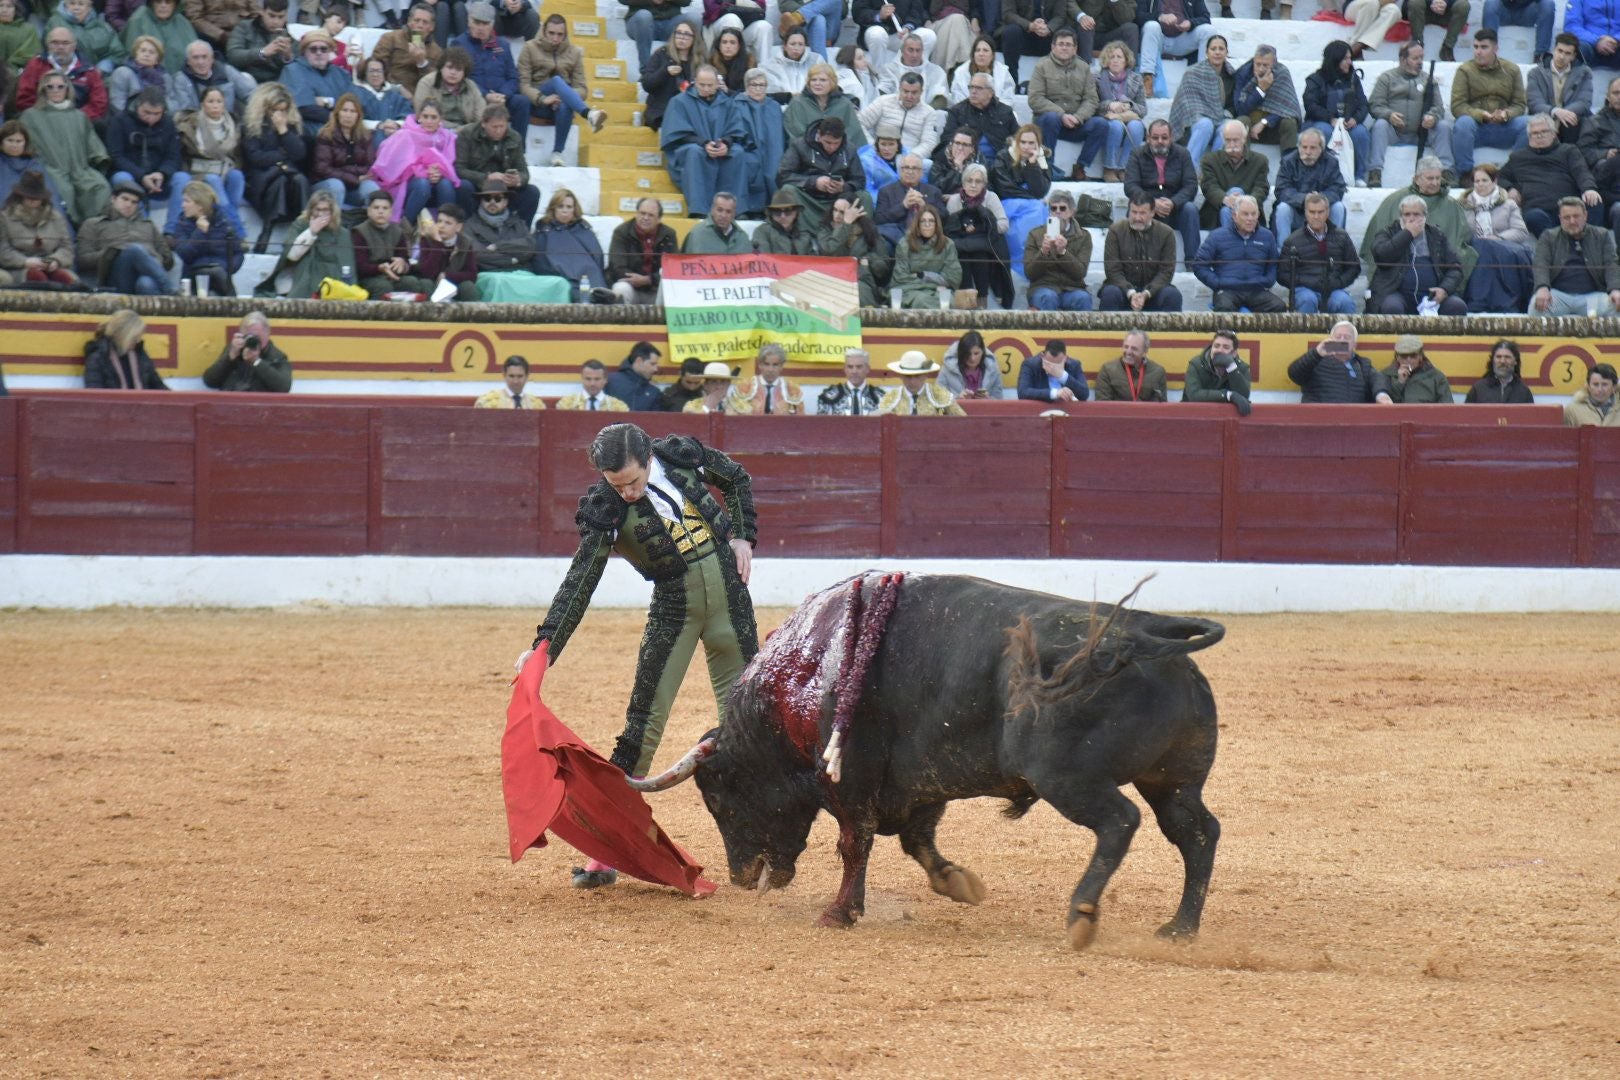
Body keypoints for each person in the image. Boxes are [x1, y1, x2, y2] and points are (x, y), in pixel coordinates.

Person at [530, 421, 759, 888]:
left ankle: (761, 843)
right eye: (618, 485)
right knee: (642, 727)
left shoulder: (679, 455)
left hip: (731, 603)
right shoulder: (606, 507)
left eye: (634, 481)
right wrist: (546, 645)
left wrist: (742, 536)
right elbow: (581, 579)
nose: (629, 493)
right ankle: (607, 852)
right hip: (674, 611)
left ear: (648, 458)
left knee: (749, 725)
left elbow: (737, 478)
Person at [1359, 156, 1477, 278]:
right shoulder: (1395, 201)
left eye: (1438, 178)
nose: (1435, 183)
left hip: (1440, 272)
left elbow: (1460, 240)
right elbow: (1379, 244)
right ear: (1416, 179)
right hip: (1400, 272)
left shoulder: (1451, 205)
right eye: (1430, 178)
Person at [20, 71, 111, 225]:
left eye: (60, 86)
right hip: (51, 169)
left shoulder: (79, 116)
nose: (55, 90)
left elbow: (92, 143)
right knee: (64, 191)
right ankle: (68, 231)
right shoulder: (31, 116)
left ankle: (93, 230)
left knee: (100, 186)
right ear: (43, 90)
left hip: (80, 169)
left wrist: (98, 157)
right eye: (50, 87)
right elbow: (26, 146)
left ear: (68, 89)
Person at [518, 14, 608, 167]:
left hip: (560, 106)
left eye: (560, 34)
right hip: (537, 102)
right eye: (551, 33)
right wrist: (542, 98)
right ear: (544, 31)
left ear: (565, 35)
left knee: (565, 103)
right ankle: (589, 114)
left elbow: (582, 88)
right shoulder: (529, 47)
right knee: (556, 81)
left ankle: (557, 153)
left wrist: (565, 96)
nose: (555, 38)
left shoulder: (574, 52)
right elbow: (523, 85)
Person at [662, 65, 748, 217]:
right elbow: (677, 133)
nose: (706, 88)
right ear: (695, 82)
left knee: (737, 152)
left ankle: (734, 210)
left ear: (717, 84)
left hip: (719, 146)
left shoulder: (728, 102)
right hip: (692, 146)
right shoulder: (679, 101)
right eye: (702, 85)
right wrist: (703, 143)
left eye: (710, 85)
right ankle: (699, 210)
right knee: (695, 152)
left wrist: (726, 143)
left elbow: (736, 129)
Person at [1368, 40, 1456, 188]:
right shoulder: (1387, 78)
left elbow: (1438, 107)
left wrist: (1432, 117)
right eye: (1415, 58)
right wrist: (1389, 115)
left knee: (1443, 126)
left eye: (1421, 58)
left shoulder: (1427, 79)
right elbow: (1375, 105)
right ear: (1403, 59)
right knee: (1380, 125)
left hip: (1422, 132)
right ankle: (1375, 172)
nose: (1420, 62)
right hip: (1394, 132)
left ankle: (1447, 171)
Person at [1498, 114, 1603, 237]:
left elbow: (1581, 171)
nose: (1539, 135)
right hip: (1538, 209)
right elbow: (1499, 177)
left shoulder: (1568, 150)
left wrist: (1589, 188)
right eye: (1534, 133)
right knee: (1533, 217)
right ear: (1529, 137)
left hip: (1569, 206)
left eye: (1544, 131)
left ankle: (1588, 243)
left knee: (1595, 202)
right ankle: (1558, 247)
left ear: (1554, 133)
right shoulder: (1518, 157)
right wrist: (1510, 188)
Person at [1369, 194, 1469, 315]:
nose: (1411, 218)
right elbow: (1381, 256)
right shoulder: (1388, 232)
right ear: (1400, 216)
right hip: (1397, 293)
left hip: (1432, 296)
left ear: (1425, 216)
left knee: (1457, 306)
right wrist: (1407, 234)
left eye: (1416, 214)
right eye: (1407, 214)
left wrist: (1444, 289)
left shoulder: (1436, 235)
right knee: (1392, 308)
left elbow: (1455, 268)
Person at [241, 82, 310, 253]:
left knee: (300, 180)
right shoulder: (251, 127)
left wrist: (283, 131)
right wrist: (283, 155)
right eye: (274, 110)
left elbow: (300, 153)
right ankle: (267, 230)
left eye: (283, 110)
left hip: (289, 176)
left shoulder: (291, 126)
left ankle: (303, 228)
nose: (279, 115)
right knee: (278, 182)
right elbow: (256, 158)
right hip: (261, 179)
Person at [1458, 161, 1535, 312]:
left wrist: (1498, 238)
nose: (1480, 184)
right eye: (1477, 181)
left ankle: (1487, 301)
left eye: (1484, 180)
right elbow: (1459, 232)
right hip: (1473, 248)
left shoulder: (1508, 204)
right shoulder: (1462, 205)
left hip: (1504, 248)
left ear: (1494, 181)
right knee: (1483, 248)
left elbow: (1520, 232)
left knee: (1491, 248)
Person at [1452, 29, 1529, 179]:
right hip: (1476, 128)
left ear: (1495, 48)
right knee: (1463, 123)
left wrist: (1506, 114)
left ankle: (1511, 171)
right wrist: (1481, 115)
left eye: (1484, 47)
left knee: (1529, 123)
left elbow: (1519, 104)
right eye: (1475, 47)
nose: (1478, 52)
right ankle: (1466, 174)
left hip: (1504, 127)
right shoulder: (1464, 70)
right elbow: (1457, 106)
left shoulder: (1512, 70)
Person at [1124, 118, 1200, 267]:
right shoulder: (1137, 154)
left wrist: (1173, 202)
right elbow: (1130, 186)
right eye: (1155, 137)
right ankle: (1136, 263)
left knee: (1190, 209)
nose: (1160, 141)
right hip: (1146, 206)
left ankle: (1193, 263)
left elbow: (1191, 186)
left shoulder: (1183, 154)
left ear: (1171, 138)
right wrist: (1152, 203)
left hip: (1175, 207)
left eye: (1164, 138)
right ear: (1148, 138)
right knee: (1138, 209)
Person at [174, 86, 247, 241]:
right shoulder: (190, 125)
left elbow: (238, 157)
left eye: (219, 101)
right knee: (213, 179)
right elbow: (183, 156)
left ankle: (226, 224)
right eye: (210, 101)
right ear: (202, 104)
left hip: (225, 170)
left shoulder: (233, 125)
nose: (215, 105)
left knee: (237, 176)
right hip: (199, 174)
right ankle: (237, 233)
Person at [1028, 28, 1106, 173]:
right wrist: (1061, 115)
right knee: (1051, 118)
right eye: (1061, 44)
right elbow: (1035, 99)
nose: (1064, 47)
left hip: (1076, 123)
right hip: (1048, 123)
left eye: (1068, 44)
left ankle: (1081, 167)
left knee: (1101, 124)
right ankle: (1047, 166)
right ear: (1053, 47)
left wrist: (1078, 117)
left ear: (1075, 48)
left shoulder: (1084, 68)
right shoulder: (1041, 66)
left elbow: (1091, 99)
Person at [1528, 197, 1620, 316]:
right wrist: (1542, 288)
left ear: (1585, 216)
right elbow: (1541, 263)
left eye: (1576, 216)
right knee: (1536, 308)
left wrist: (1615, 290)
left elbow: (1611, 264)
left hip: (1592, 296)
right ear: (1560, 219)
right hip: (1558, 296)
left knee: (1617, 306)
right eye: (1567, 217)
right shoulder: (1548, 236)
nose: (1572, 221)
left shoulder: (1602, 235)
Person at [78, 179, 174, 294]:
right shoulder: (93, 224)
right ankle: (171, 290)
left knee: (146, 283)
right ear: (113, 199)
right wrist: (111, 252)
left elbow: (168, 259)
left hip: (144, 274)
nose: (129, 205)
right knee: (134, 250)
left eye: (134, 202)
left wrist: (150, 257)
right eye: (125, 199)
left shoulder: (148, 224)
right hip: (115, 278)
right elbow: (82, 260)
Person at [372, 103, 461, 225]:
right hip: (410, 182)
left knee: (446, 185)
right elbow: (398, 165)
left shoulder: (447, 137)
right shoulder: (406, 134)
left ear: (441, 119)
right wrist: (424, 172)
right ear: (419, 117)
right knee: (422, 185)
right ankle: (406, 227)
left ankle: (445, 228)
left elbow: (449, 162)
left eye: (434, 117)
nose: (429, 121)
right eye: (425, 116)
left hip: (437, 179)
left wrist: (439, 172)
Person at [1193, 195, 1283, 312]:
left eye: (1253, 213)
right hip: (1227, 290)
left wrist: (1267, 281)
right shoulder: (1217, 236)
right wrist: (1217, 283)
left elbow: (1274, 264)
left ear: (1258, 215)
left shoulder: (1267, 236)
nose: (1250, 218)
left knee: (1279, 307)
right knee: (1225, 308)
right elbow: (1199, 264)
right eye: (1245, 214)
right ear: (1234, 216)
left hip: (1256, 290)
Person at [777, 116, 868, 230]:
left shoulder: (850, 149)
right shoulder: (799, 145)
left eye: (836, 143)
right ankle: (798, 234)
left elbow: (860, 180)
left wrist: (844, 187)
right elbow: (783, 176)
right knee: (788, 190)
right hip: (808, 199)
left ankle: (862, 236)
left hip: (839, 201)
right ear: (819, 134)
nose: (832, 147)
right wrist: (813, 182)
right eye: (828, 142)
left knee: (864, 196)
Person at [1301, 40, 1372, 185]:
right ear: (1335, 59)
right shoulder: (1316, 79)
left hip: (1347, 123)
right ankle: (1320, 174)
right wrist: (1330, 119)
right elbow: (1311, 105)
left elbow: (1363, 104)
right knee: (1323, 132)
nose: (1349, 62)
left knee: (1361, 133)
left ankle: (1358, 176)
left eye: (1350, 58)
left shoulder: (1353, 79)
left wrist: (1356, 119)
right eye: (1345, 59)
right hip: (1322, 121)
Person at [1277, 193, 1360, 314]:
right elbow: (1282, 275)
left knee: (1345, 302)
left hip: (1334, 289)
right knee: (1307, 300)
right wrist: (1308, 282)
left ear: (1327, 212)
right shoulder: (1292, 240)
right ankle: (1303, 333)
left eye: (1320, 212)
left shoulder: (1342, 237)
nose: (1316, 216)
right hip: (1305, 289)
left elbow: (1354, 267)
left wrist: (1339, 282)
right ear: (1305, 212)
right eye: (1312, 212)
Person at [452, 3, 530, 133]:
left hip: (502, 99)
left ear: (492, 24)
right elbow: (461, 78)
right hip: (474, 98)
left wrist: (503, 95)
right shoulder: (460, 45)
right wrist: (486, 95)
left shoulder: (502, 45)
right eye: (477, 22)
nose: (480, 27)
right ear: (469, 21)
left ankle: (519, 149)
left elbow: (513, 77)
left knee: (522, 101)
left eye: (485, 23)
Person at [455, 104, 538, 226]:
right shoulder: (467, 135)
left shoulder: (514, 137)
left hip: (505, 189)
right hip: (478, 185)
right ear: (484, 123)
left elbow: (524, 172)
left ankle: (520, 232)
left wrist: (517, 180)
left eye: (502, 126)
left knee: (532, 192)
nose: (498, 131)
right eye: (494, 127)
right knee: (464, 186)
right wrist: (486, 177)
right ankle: (468, 228)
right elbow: (459, 169)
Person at [944, 161, 1011, 308]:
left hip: (985, 246)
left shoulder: (991, 197)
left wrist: (981, 229)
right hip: (962, 246)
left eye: (978, 181)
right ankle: (966, 304)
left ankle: (982, 302)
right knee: (962, 255)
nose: (973, 185)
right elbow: (949, 228)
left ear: (984, 184)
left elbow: (1003, 224)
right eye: (970, 180)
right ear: (963, 182)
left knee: (980, 256)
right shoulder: (955, 200)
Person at [1099, 192, 1181, 312]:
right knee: (1110, 293)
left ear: (1152, 213)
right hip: (1123, 290)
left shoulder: (1166, 233)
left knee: (1172, 295)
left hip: (1153, 293)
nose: (1137, 218)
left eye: (1142, 213)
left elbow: (1166, 271)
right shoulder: (1115, 230)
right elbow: (1112, 270)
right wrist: (1131, 293)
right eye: (1134, 212)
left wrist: (1146, 293)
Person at [107, 87, 181, 210]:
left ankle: (173, 228)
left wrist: (163, 173)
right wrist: (141, 176)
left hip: (159, 176)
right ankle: (140, 224)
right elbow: (116, 157)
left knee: (182, 178)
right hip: (130, 173)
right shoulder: (119, 121)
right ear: (137, 106)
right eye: (146, 112)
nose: (151, 117)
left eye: (157, 113)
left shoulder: (168, 123)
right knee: (122, 178)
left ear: (163, 111)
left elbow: (173, 156)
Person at [1169, 34, 1235, 171]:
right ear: (1206, 52)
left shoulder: (1231, 75)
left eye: (1221, 49)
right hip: (1194, 123)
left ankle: (1213, 170)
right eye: (1213, 49)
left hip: (1220, 119)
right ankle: (1190, 169)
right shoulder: (1193, 73)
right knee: (1206, 124)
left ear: (1227, 52)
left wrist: (1225, 114)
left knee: (1228, 127)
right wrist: (1205, 115)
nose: (1217, 52)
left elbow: (1234, 103)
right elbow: (1187, 104)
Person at [0, 169, 78, 284]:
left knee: (67, 279)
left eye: (36, 198)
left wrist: (55, 260)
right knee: (37, 278)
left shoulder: (56, 218)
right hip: (16, 268)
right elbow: (3, 250)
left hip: (51, 264)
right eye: (29, 197)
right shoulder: (5, 218)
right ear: (21, 196)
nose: (33, 201)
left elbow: (67, 248)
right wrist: (25, 262)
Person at [17, 24, 109, 120]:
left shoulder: (88, 69)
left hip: (78, 121)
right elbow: (25, 98)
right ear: (47, 45)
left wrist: (76, 118)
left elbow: (99, 103)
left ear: (74, 46)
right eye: (55, 43)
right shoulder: (35, 65)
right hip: (42, 120)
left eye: (65, 43)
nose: (60, 47)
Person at [1287, 320, 1393, 404]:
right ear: (1330, 339)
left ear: (1354, 344)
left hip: (1353, 422)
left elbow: (1378, 379)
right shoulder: (1316, 360)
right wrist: (1317, 353)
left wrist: (1381, 394)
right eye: (1338, 337)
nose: (1342, 340)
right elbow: (1294, 374)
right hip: (1320, 421)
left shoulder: (1362, 364)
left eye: (1347, 337)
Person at [533, 187, 609, 303]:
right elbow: (541, 262)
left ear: (574, 209)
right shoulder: (544, 231)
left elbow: (597, 257)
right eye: (560, 206)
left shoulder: (583, 229)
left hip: (590, 278)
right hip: (563, 278)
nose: (565, 211)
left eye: (569, 207)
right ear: (553, 209)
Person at [168, 179, 241, 296]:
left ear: (200, 205)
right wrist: (200, 232)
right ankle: (237, 308)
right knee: (216, 273)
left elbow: (238, 253)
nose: (183, 205)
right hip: (194, 274)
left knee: (217, 274)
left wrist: (227, 269)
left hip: (221, 274)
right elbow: (185, 255)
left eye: (187, 201)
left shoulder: (223, 222)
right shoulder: (182, 224)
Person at [310, 92, 380, 213]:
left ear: (358, 115)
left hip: (352, 187)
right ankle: (333, 226)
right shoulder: (325, 135)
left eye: (353, 111)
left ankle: (365, 228)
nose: (348, 115)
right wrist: (354, 178)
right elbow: (322, 169)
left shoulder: (366, 136)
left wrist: (349, 175)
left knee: (372, 188)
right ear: (337, 113)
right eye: (345, 110)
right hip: (325, 185)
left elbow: (369, 167)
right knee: (337, 185)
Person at [1272, 128, 1347, 240]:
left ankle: (1335, 249)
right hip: (1297, 211)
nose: (1307, 152)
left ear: (1321, 149)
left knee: (1338, 207)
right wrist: (1305, 199)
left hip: (1321, 212)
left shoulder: (1331, 162)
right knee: (1283, 208)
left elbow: (1338, 188)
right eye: (1304, 147)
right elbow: (1281, 189)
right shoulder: (1288, 161)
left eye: (1313, 148)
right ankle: (1283, 252)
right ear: (1299, 147)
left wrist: (1319, 199)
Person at [354, 190, 431, 298]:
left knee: (411, 282)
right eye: (376, 208)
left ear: (391, 212)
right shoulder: (359, 232)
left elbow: (404, 258)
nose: (381, 212)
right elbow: (359, 266)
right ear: (369, 211)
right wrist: (379, 268)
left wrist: (403, 264)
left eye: (385, 208)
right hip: (369, 277)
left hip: (393, 275)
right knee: (383, 287)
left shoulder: (398, 231)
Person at [1024, 190, 1092, 311]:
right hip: (1043, 287)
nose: (1057, 212)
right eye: (1053, 209)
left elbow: (1080, 273)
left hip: (1072, 288)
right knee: (1048, 297)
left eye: (1062, 208)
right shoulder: (1035, 234)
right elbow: (1029, 273)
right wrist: (1043, 253)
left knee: (1083, 298)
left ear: (1071, 212)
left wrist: (1063, 253)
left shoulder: (1083, 236)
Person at [819, 194, 891, 305]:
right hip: (832, 280)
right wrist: (846, 224)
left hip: (861, 282)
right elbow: (828, 250)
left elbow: (883, 269)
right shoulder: (826, 229)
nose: (837, 215)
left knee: (860, 293)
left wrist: (867, 261)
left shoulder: (869, 231)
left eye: (843, 212)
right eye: (835, 210)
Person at [1137, 0, 1215, 98]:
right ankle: (1147, 79)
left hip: (1183, 39)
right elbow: (1138, 17)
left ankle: (1203, 80)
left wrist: (1191, 23)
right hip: (1159, 40)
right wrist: (1159, 17)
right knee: (1151, 26)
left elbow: (1206, 17)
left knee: (1209, 30)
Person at [734, 67, 786, 215]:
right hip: (748, 150)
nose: (758, 89)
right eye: (754, 85)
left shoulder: (774, 106)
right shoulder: (737, 104)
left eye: (762, 85)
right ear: (746, 86)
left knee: (774, 169)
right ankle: (746, 210)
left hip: (772, 151)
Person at [1235, 43, 1301, 157]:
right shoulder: (1243, 74)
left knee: (1289, 122)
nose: (1260, 69)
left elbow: (1288, 109)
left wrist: (1265, 122)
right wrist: (1261, 89)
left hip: (1274, 128)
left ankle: (1289, 168)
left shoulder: (1282, 73)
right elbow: (1240, 110)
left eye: (1265, 65)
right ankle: (1241, 164)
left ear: (1274, 64)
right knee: (1241, 121)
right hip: (1250, 128)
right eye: (1258, 64)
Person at [608, 197, 678, 304]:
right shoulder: (621, 232)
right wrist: (636, 279)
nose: (645, 218)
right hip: (631, 286)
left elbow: (673, 268)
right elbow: (616, 266)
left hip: (656, 289)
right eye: (642, 213)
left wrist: (649, 280)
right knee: (621, 289)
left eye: (651, 215)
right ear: (636, 214)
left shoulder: (669, 234)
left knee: (671, 291)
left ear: (659, 219)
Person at [1528, 34, 1593, 148]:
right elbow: (1534, 103)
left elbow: (1584, 102)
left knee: (1571, 122)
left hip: (1570, 119)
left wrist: (1565, 113)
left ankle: (1569, 160)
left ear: (1574, 56)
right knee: (1545, 124)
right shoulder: (1536, 73)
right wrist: (1555, 111)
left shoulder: (1584, 73)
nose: (1562, 56)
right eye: (1560, 51)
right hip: (1546, 116)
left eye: (1567, 53)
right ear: (1553, 50)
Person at [1092, 41, 1145, 182]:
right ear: (1106, 60)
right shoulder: (1096, 78)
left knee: (1137, 126)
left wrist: (1128, 104)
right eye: (1112, 56)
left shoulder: (1136, 79)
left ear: (1126, 60)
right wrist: (1110, 105)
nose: (1115, 60)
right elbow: (1093, 105)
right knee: (1115, 125)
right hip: (1107, 118)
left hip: (1128, 116)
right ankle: (1109, 168)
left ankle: (1125, 168)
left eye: (1119, 57)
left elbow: (1143, 109)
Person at [283, 29, 351, 137]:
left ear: (330, 52)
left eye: (324, 49)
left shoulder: (341, 74)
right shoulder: (293, 70)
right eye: (313, 49)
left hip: (340, 129)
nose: (319, 53)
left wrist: (326, 101)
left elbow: (351, 103)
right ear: (304, 52)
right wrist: (338, 117)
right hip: (307, 132)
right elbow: (304, 108)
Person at [202, 311, 293, 393]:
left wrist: (257, 362)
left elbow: (284, 387)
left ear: (267, 334)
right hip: (232, 404)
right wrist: (229, 358)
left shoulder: (276, 357)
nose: (252, 341)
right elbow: (210, 381)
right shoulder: (234, 350)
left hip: (260, 407)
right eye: (248, 337)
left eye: (257, 337)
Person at [891, 202, 960, 307]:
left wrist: (923, 275)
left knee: (946, 301)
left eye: (931, 221)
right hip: (909, 290)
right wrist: (936, 282)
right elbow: (900, 277)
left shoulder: (948, 244)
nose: (927, 225)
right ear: (917, 224)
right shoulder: (904, 243)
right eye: (923, 221)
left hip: (940, 291)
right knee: (922, 300)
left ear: (937, 224)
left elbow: (954, 277)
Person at [941, 72, 1017, 166]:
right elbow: (947, 140)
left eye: (979, 88)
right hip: (967, 162)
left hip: (1000, 163)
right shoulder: (957, 111)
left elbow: (1017, 138)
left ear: (991, 92)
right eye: (971, 87)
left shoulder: (1005, 112)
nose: (973, 91)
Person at [855, 71, 936, 157]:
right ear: (899, 89)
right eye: (905, 91)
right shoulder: (883, 102)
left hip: (911, 159)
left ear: (921, 92)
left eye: (914, 92)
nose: (909, 96)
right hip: (879, 154)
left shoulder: (929, 113)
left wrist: (911, 157)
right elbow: (858, 123)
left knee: (928, 165)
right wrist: (873, 147)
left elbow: (929, 143)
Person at [167, 37, 254, 116]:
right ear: (188, 61)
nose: (200, 62)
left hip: (229, 123)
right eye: (195, 58)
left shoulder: (227, 71)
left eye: (204, 57)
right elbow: (185, 112)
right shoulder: (181, 79)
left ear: (212, 59)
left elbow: (250, 94)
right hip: (197, 126)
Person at [791, 62, 869, 149]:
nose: (817, 83)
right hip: (807, 155)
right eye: (813, 80)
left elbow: (854, 134)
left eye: (823, 80)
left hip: (839, 155)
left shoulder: (844, 104)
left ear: (832, 82)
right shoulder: (797, 103)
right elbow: (796, 135)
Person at [84, 309, 168, 390]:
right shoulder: (98, 359)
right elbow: (96, 395)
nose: (137, 340)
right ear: (123, 335)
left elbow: (160, 388)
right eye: (134, 337)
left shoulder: (140, 355)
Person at [370, 3, 443, 96]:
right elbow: (376, 68)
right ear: (409, 22)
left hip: (419, 100)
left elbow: (435, 85)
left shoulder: (437, 52)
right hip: (390, 93)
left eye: (425, 22)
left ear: (432, 27)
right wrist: (397, 89)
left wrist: (422, 63)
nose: (420, 25)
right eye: (417, 20)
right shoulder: (391, 38)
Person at [640, 19, 699, 132]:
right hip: (661, 110)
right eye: (679, 33)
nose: (682, 37)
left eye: (686, 34)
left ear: (694, 38)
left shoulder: (698, 61)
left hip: (689, 112)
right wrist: (665, 72)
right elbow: (647, 84)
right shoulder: (661, 54)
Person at [875, 152, 944, 247]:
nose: (910, 171)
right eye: (906, 167)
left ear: (921, 172)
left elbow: (944, 218)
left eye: (914, 168)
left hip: (927, 236)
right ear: (900, 171)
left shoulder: (934, 191)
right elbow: (879, 220)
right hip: (896, 238)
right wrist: (903, 205)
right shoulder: (886, 191)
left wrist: (925, 207)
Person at [415, 202, 480, 301]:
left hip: (453, 284)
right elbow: (425, 273)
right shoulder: (427, 240)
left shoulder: (465, 243)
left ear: (458, 227)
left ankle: (474, 315)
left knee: (468, 286)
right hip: (433, 282)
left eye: (448, 223)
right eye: (439, 221)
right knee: (425, 283)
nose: (441, 226)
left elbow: (472, 274)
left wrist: (447, 276)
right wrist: (438, 243)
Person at [1581, 79, 1620, 234]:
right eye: (1616, 93)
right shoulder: (1595, 122)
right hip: (1606, 178)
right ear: (1608, 97)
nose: (1619, 97)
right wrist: (1605, 153)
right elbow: (1582, 152)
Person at [1182, 328, 1252, 414]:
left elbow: (1244, 397)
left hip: (1225, 416)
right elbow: (1194, 395)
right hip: (1194, 414)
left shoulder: (1242, 368)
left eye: (1225, 347)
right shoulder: (1196, 364)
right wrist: (1228, 395)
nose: (1219, 350)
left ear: (1234, 353)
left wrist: (1231, 367)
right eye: (1216, 346)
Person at [46, 0, 127, 73]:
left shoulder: (102, 26)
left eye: (81, 4)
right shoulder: (55, 23)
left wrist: (103, 67)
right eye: (72, 3)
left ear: (89, 7)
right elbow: (49, 50)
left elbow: (118, 53)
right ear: (65, 5)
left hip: (101, 74)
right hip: (66, 73)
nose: (76, 8)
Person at [875, 350, 966, 414]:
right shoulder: (891, 398)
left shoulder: (940, 395)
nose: (912, 381)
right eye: (908, 376)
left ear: (926, 374)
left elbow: (963, 422)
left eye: (917, 376)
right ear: (901, 375)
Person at [225, 0, 292, 85]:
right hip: (247, 79)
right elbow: (232, 56)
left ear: (286, 16)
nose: (276, 22)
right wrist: (262, 53)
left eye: (281, 17)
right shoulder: (244, 27)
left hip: (278, 82)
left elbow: (297, 69)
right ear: (262, 12)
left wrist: (288, 57)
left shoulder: (290, 34)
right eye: (271, 16)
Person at [124, 0, 196, 75]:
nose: (163, 6)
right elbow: (131, 56)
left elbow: (195, 54)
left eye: (168, 2)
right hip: (147, 79)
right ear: (151, 3)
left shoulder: (182, 22)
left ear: (175, 5)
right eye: (158, 2)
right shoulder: (138, 20)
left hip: (182, 80)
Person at [729, 343, 805, 414]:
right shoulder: (744, 387)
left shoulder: (792, 390)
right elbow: (733, 417)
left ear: (781, 366)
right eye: (766, 364)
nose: (770, 369)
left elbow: (799, 421)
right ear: (760, 365)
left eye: (775, 365)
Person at [876, 32, 947, 109]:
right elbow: (881, 93)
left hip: (926, 115)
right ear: (902, 51)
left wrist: (924, 112)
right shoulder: (889, 70)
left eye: (918, 50)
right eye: (910, 50)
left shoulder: (936, 71)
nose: (914, 55)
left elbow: (941, 98)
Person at [1095, 330, 1167, 402]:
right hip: (1117, 413)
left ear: (1145, 352)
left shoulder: (1158, 372)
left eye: (1134, 349)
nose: (1128, 352)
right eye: (1126, 347)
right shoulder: (1108, 370)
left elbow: (1160, 406)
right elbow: (1102, 404)